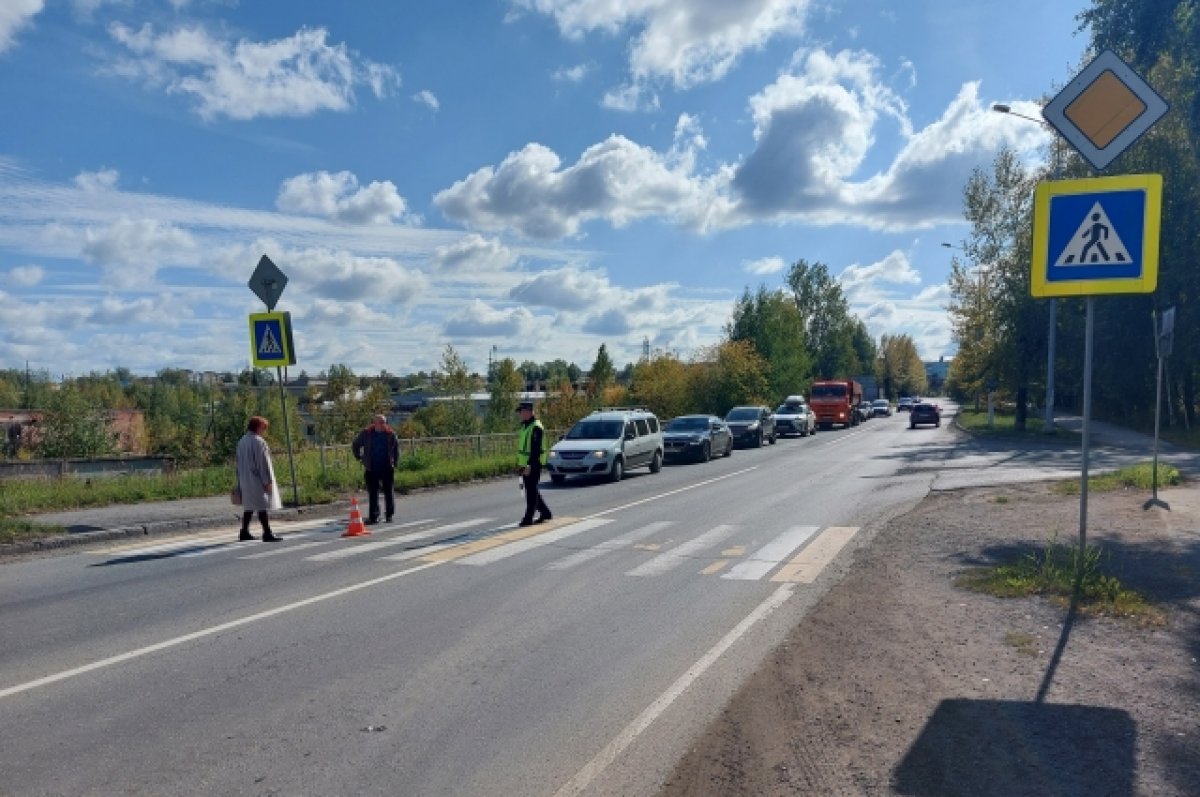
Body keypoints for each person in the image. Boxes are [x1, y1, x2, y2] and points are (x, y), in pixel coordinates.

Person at [235, 416, 282, 542]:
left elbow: (237, 463)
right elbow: (263, 463)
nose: (264, 431)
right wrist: (267, 481)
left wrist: (239, 480)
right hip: (256, 479)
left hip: (244, 478)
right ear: (258, 427)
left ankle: (244, 532)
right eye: (264, 428)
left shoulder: (242, 441)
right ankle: (267, 533)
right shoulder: (258, 442)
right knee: (261, 506)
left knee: (249, 506)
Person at [352, 413, 400, 524]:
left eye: (384, 422)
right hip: (371, 467)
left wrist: (395, 463)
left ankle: (389, 515)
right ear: (375, 423)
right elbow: (356, 444)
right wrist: (359, 457)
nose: (383, 424)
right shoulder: (366, 433)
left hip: (387, 467)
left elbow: (396, 449)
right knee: (373, 493)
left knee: (389, 492)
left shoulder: (390, 434)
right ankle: (374, 516)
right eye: (381, 422)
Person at [515, 401, 551, 527]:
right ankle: (546, 513)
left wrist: (530, 465)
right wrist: (520, 464)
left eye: (522, 412)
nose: (520, 414)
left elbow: (535, 449)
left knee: (531, 492)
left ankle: (528, 518)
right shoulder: (525, 426)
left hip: (533, 464)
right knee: (532, 490)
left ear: (529, 412)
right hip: (525, 464)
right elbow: (523, 448)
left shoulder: (536, 427)